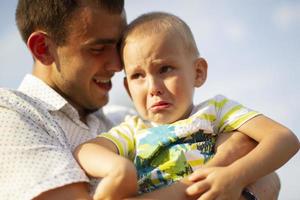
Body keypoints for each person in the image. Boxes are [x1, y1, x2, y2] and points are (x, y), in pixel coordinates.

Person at [0, 1, 283, 199]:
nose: (116, 63)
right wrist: (225, 168)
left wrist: (240, 170)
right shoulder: (11, 113)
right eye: (98, 48)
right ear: (42, 48)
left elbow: (262, 162)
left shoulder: (123, 119)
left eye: (118, 47)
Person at [75, 12, 300, 200]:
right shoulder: (133, 129)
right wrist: (118, 169)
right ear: (127, 89)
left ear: (198, 72)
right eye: (138, 76)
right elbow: (85, 150)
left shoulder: (216, 110)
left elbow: (284, 138)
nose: (153, 87)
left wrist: (235, 176)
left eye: (165, 69)